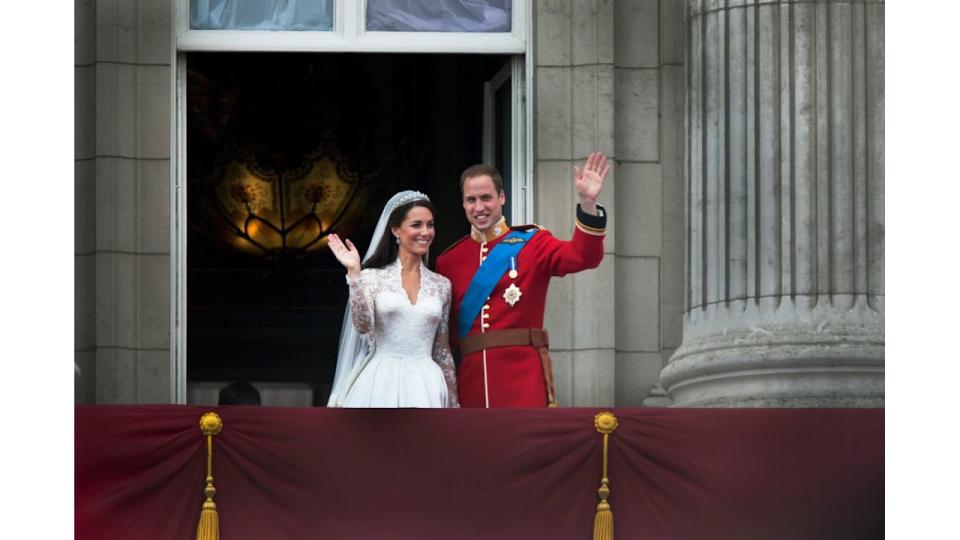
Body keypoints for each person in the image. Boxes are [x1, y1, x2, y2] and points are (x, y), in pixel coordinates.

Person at [435, 152, 610, 408]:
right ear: (463, 204)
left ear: (502, 198)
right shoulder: (448, 261)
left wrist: (588, 203)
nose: (479, 207)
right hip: (471, 383)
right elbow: (445, 335)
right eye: (471, 200)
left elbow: (583, 257)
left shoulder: (533, 243)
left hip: (523, 379)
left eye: (486, 198)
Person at [326, 190, 459, 408]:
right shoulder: (371, 278)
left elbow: (442, 350)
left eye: (430, 224)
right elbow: (362, 325)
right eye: (416, 225)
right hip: (380, 381)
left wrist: (454, 405)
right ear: (396, 229)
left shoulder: (442, 285)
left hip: (426, 384)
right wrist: (354, 274)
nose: (425, 232)